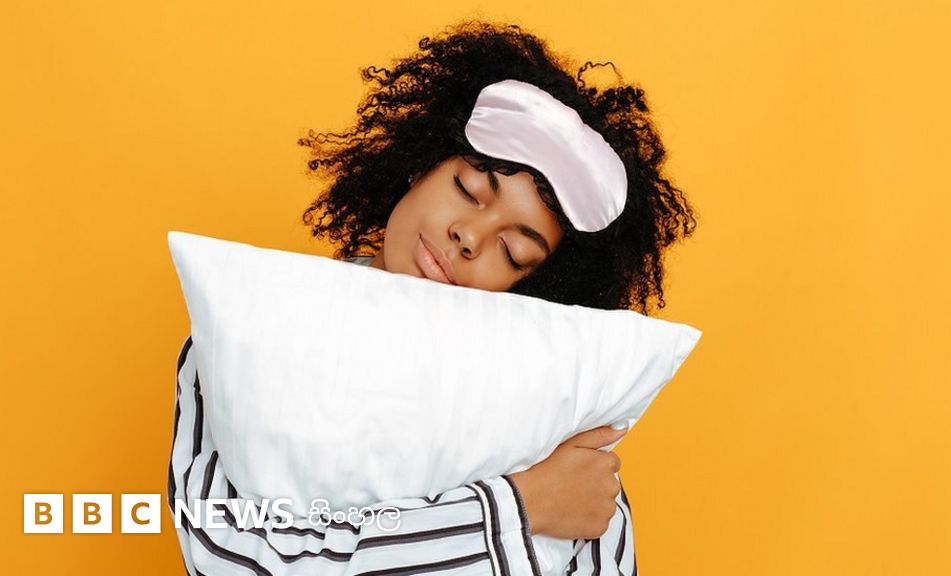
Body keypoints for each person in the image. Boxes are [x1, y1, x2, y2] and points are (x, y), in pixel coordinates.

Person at [168, 19, 696, 576]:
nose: (470, 237)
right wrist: (517, 509)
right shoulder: (253, 327)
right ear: (419, 165)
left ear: (531, 284)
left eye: (514, 251)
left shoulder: (551, 390)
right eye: (469, 190)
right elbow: (222, 552)